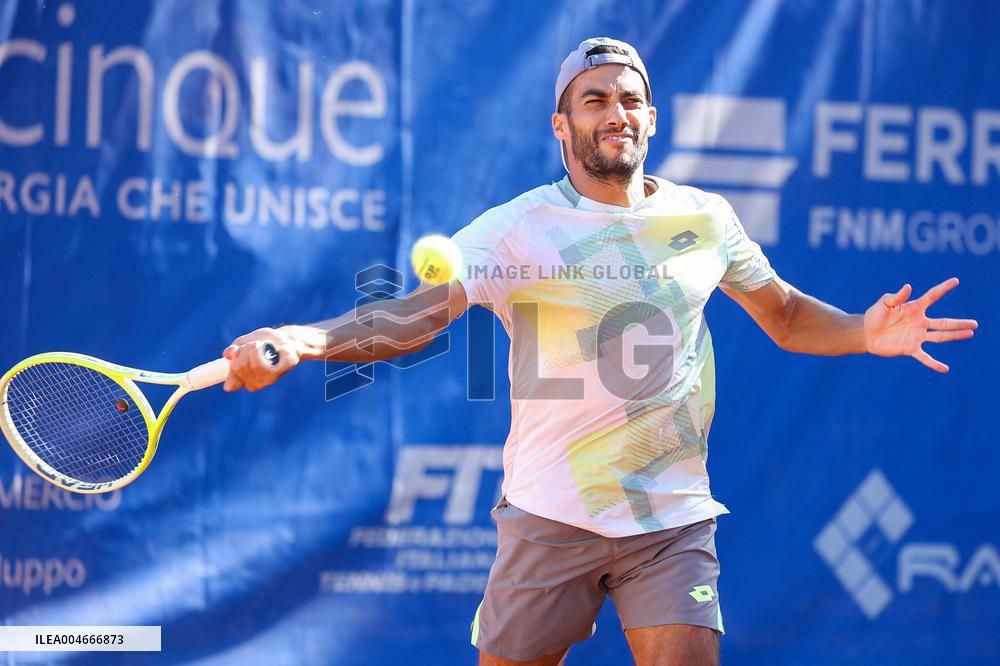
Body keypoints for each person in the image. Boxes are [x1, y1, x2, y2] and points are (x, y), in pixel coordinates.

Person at [222, 37, 977, 666]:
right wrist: (304, 340)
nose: (615, 113)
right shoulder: (516, 228)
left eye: (628, 99)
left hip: (670, 520)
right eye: (594, 99)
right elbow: (418, 317)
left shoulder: (706, 218)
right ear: (561, 124)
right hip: (550, 514)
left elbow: (782, 314)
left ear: (651, 117)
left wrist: (862, 331)